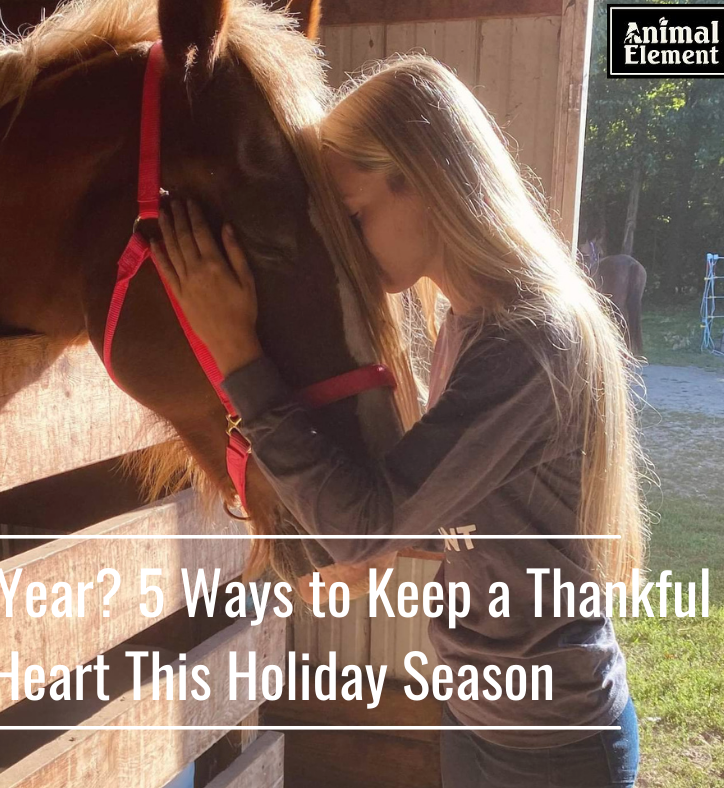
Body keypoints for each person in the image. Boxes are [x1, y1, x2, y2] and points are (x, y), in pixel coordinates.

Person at [149, 54, 645, 788]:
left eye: (354, 217)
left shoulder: (531, 342)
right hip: (480, 713)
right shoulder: (468, 326)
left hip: (554, 746)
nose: (345, 243)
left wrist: (236, 355)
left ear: (419, 178)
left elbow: (369, 518)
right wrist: (380, 552)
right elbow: (480, 514)